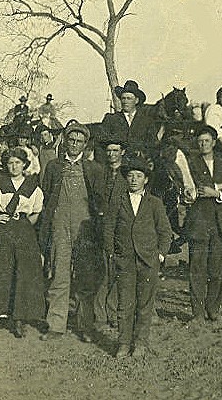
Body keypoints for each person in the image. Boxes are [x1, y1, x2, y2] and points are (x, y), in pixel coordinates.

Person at [40, 122, 105, 342]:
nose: (75, 144)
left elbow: (99, 200)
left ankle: (85, 326)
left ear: (85, 145)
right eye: (71, 140)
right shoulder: (53, 166)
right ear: (65, 142)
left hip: (84, 227)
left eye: (79, 141)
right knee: (59, 274)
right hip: (60, 225)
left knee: (85, 276)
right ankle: (55, 325)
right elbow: (46, 195)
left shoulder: (94, 169)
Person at [0, 148, 45, 339]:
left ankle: (19, 320)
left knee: (23, 274)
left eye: (18, 163)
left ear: (25, 164)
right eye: (10, 163)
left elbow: (36, 212)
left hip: (24, 233)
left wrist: (24, 225)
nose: (14, 166)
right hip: (1, 231)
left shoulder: (33, 188)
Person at [103, 158, 172, 358]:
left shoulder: (154, 203)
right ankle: (124, 343)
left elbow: (165, 231)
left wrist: (160, 254)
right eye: (131, 176)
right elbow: (109, 229)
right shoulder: (118, 201)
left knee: (144, 304)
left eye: (139, 176)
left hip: (148, 261)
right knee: (125, 304)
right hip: (124, 260)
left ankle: (140, 343)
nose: (134, 179)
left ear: (146, 179)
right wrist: (112, 253)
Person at [184, 126, 222, 324]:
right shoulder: (191, 164)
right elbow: (197, 188)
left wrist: (216, 191)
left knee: (217, 270)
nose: (203, 144)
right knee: (197, 270)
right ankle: (198, 313)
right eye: (200, 141)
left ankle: (213, 309)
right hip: (199, 223)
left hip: (220, 225)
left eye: (207, 141)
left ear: (214, 143)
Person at [95, 136, 129, 327]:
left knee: (120, 269)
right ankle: (100, 313)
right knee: (103, 269)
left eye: (115, 150)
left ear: (122, 152)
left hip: (122, 226)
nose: (111, 154)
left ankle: (113, 310)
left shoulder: (128, 174)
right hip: (102, 226)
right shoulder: (101, 172)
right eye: (108, 151)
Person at [100, 80, 160, 158]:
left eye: (129, 98)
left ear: (136, 100)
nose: (125, 101)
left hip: (140, 162)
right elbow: (101, 143)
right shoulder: (111, 119)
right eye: (123, 98)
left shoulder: (147, 121)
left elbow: (154, 146)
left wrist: (143, 154)